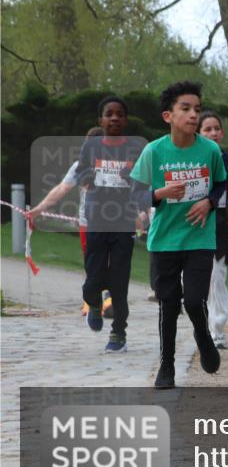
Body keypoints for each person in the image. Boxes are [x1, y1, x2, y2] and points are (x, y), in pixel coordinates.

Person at [130, 81, 225, 389]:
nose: (193, 115)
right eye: (185, 109)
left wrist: (209, 201)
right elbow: (135, 196)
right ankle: (166, 365)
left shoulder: (210, 150)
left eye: (196, 109)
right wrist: (160, 192)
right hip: (164, 240)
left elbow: (222, 184)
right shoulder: (153, 151)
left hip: (199, 238)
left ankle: (203, 335)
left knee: (195, 301)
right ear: (168, 116)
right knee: (168, 303)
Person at [70, 96, 145, 351]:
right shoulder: (92, 146)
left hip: (124, 221)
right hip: (97, 220)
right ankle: (93, 303)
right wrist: (87, 176)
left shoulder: (135, 148)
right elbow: (80, 171)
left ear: (125, 120)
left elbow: (145, 180)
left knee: (119, 281)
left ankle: (118, 333)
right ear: (100, 120)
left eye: (119, 114)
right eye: (109, 114)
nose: (114, 118)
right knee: (93, 279)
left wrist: (132, 176)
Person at [28, 126, 105, 316]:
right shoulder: (80, 166)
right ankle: (92, 301)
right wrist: (39, 209)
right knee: (91, 262)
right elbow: (62, 189)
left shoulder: (119, 165)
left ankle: (111, 300)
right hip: (89, 224)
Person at [198, 111, 228, 348]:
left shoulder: (227, 160)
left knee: (218, 276)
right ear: (199, 133)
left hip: (219, 225)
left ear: (221, 132)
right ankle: (201, 324)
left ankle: (218, 328)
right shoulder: (191, 157)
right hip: (193, 224)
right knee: (195, 280)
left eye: (216, 128)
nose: (213, 133)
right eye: (207, 129)